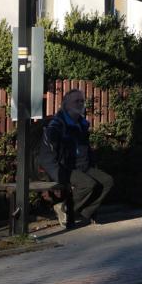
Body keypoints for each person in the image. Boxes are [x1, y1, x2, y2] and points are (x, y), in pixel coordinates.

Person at [38, 89, 114, 228]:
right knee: (88, 184)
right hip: (65, 167)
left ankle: (84, 213)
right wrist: (57, 175)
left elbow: (85, 149)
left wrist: (92, 164)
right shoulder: (56, 125)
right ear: (66, 105)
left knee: (107, 181)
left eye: (81, 101)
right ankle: (64, 208)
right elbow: (46, 155)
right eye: (76, 101)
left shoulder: (81, 124)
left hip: (83, 166)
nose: (80, 103)